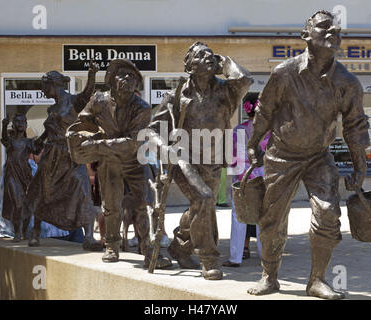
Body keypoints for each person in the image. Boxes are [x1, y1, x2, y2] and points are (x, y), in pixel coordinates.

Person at [246, 11, 370, 299]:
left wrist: (360, 167)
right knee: (271, 220)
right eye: (324, 25)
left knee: (327, 213)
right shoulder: (284, 73)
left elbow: (355, 127)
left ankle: (317, 279)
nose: (333, 29)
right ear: (306, 35)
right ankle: (270, 275)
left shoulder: (347, 82)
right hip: (281, 154)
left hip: (318, 156)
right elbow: (265, 112)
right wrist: (253, 144)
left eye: (336, 27)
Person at [148, 42, 253, 280]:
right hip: (185, 159)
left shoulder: (226, 91)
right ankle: (209, 258)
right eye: (200, 55)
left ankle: (180, 246)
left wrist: (225, 62)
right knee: (204, 199)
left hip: (214, 160)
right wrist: (165, 148)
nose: (207, 58)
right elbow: (153, 130)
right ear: (189, 65)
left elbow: (245, 79)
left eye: (210, 56)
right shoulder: (176, 95)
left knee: (202, 206)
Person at [66, 58, 171, 269]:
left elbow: (133, 142)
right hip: (110, 161)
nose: (128, 79)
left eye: (132, 76)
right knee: (111, 206)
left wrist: (97, 145)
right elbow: (82, 122)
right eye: (123, 75)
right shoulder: (99, 100)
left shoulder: (141, 107)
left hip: (134, 159)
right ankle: (112, 245)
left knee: (145, 204)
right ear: (112, 80)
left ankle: (149, 249)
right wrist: (78, 136)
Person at [26, 62, 102, 252]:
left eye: (45, 87)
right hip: (51, 157)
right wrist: (39, 141)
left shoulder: (74, 102)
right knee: (43, 192)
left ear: (55, 85)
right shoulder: (52, 110)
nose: (43, 91)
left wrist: (91, 74)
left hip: (70, 155)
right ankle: (35, 232)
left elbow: (86, 94)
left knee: (83, 189)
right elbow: (49, 129)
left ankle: (89, 236)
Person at [222, 100, 269, 267]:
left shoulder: (238, 131)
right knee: (263, 217)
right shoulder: (269, 133)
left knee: (238, 217)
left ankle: (235, 257)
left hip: (241, 179)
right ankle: (266, 257)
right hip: (262, 179)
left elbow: (231, 158)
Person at [0, 114, 41, 242]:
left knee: (27, 204)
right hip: (12, 173)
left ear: (26, 124)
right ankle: (17, 232)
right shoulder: (10, 141)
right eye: (17, 121)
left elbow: (37, 150)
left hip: (25, 174)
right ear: (13, 124)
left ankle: (24, 232)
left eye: (23, 121)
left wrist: (46, 134)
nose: (20, 123)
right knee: (17, 203)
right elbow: (4, 138)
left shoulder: (29, 142)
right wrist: (4, 125)